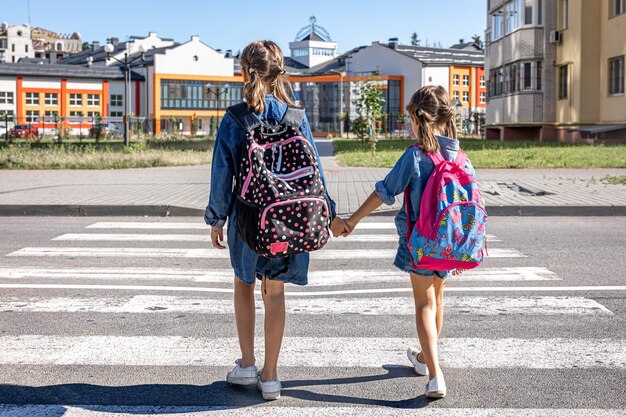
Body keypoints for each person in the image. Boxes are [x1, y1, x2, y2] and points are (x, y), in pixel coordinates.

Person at [204, 40, 348, 401]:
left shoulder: (235, 118)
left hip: (248, 218)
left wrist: (216, 217)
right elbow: (315, 169)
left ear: (244, 72)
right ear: (279, 71)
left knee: (243, 284)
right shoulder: (296, 115)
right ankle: (271, 376)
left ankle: (247, 365)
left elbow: (222, 174)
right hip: (291, 217)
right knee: (276, 291)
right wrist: (326, 212)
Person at [342, 85, 476, 399]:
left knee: (424, 306)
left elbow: (384, 192)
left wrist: (352, 220)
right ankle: (423, 359)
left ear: (417, 119)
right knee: (438, 302)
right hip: (450, 244)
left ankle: (435, 375)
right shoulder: (462, 158)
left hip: (420, 243)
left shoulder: (415, 156)